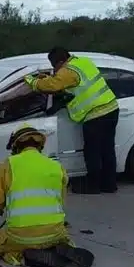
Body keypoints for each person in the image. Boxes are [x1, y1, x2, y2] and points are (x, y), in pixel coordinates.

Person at [0, 124, 94, 267]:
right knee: (59, 236)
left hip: (20, 235)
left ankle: (26, 256)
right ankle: (55, 247)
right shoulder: (56, 166)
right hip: (54, 233)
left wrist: (2, 209)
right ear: (40, 145)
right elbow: (60, 202)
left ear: (15, 146)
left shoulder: (8, 165)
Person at [24, 47, 120, 194]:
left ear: (61, 62)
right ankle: (109, 184)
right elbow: (75, 84)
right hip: (111, 108)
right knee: (107, 149)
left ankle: (93, 186)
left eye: (54, 66)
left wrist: (33, 81)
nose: (54, 69)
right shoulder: (82, 62)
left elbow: (53, 85)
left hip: (96, 114)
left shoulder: (67, 71)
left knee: (92, 152)